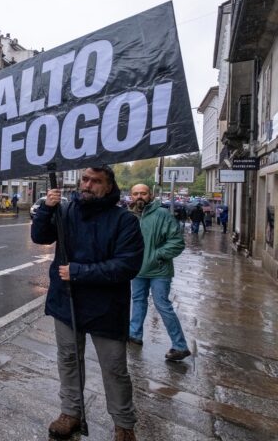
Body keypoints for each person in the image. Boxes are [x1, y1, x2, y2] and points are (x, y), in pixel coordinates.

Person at [32, 167, 144, 441]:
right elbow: (40, 236)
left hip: (106, 307)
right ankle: (70, 413)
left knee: (114, 367)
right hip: (66, 301)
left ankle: (123, 425)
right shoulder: (66, 211)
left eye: (96, 181)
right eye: (85, 179)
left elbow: (127, 265)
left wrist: (79, 272)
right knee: (69, 359)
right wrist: (47, 208)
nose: (88, 184)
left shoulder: (124, 220)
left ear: (109, 187)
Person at [128, 184, 191, 362]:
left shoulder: (162, 214)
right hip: (137, 270)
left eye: (143, 193)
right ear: (131, 196)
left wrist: (157, 255)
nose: (139, 196)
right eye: (136, 194)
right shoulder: (129, 216)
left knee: (162, 305)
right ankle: (134, 334)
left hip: (159, 270)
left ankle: (180, 346)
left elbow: (177, 242)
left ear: (151, 195)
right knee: (137, 301)